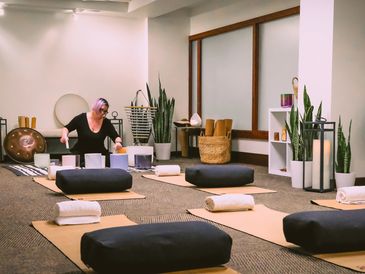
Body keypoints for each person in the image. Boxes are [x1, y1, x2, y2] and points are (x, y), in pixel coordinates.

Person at [60, 98, 123, 167]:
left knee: (113, 161)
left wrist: (118, 143)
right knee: (73, 162)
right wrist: (64, 135)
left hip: (99, 155)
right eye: (101, 110)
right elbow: (66, 128)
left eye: (105, 111)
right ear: (95, 107)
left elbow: (116, 136)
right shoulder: (81, 118)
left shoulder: (106, 122)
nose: (103, 114)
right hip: (81, 154)